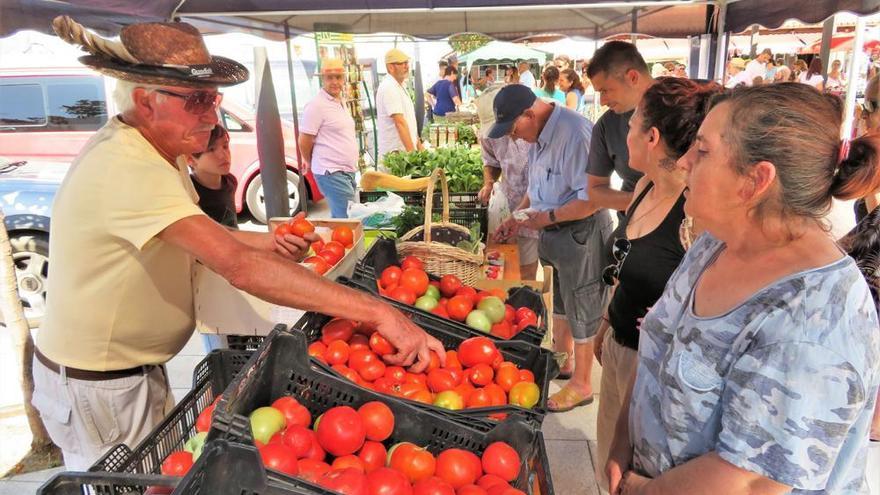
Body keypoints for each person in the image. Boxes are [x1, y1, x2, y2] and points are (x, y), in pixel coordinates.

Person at [35, 18, 444, 471]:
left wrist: (267, 239)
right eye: (197, 100)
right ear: (145, 102)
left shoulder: (156, 153)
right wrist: (377, 311)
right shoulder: (128, 168)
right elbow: (236, 266)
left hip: (127, 376)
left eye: (213, 99)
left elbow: (204, 233)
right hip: (102, 386)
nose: (212, 115)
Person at [606, 83, 880, 495]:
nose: (682, 162)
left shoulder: (812, 322)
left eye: (701, 151)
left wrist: (639, 489)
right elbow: (657, 347)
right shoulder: (715, 244)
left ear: (755, 180)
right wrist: (621, 445)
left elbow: (751, 482)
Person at [591, 77, 721, 492]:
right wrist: (607, 323)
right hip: (619, 347)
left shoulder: (695, 213)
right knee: (607, 462)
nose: (623, 130)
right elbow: (625, 264)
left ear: (651, 136)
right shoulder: (643, 186)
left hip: (653, 370)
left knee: (635, 472)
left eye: (631, 124)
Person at [491, 85, 613, 412]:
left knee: (584, 302)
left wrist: (547, 218)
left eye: (515, 129)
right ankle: (564, 360)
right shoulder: (538, 136)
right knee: (561, 297)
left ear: (529, 114)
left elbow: (590, 199)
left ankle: (583, 384)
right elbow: (536, 186)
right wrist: (519, 216)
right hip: (554, 230)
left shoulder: (575, 134)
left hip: (581, 231)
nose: (516, 138)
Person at [475, 83, 538, 280]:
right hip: (513, 206)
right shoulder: (487, 136)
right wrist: (488, 183)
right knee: (517, 267)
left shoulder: (532, 128)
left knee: (542, 268)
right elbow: (490, 161)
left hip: (544, 206)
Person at [586, 41, 652, 219]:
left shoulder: (690, 104)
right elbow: (595, 190)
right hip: (634, 228)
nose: (602, 101)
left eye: (605, 90)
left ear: (632, 77)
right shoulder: (606, 126)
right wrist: (646, 201)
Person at [299, 58, 359, 219]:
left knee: (343, 218)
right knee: (348, 220)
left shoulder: (341, 101)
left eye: (338, 77)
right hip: (331, 171)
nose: (334, 82)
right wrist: (309, 161)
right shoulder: (316, 105)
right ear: (322, 79)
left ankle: (338, 243)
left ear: (343, 78)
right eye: (329, 78)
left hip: (346, 171)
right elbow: (304, 139)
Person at [376, 48, 422, 164]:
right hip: (396, 157)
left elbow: (410, 123)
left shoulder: (400, 86)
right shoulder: (389, 87)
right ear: (391, 67)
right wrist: (413, 157)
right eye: (402, 63)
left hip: (403, 155)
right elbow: (399, 123)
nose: (407, 66)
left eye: (407, 63)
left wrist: (420, 149)